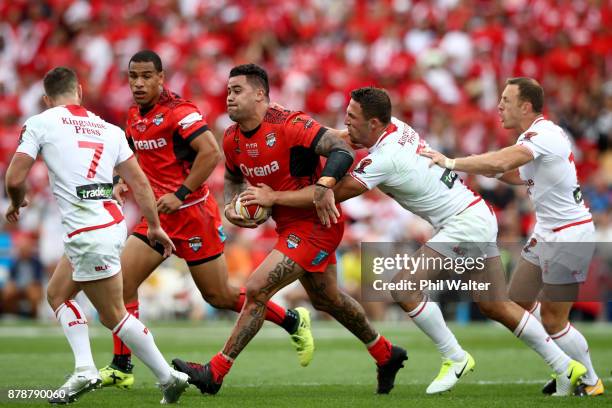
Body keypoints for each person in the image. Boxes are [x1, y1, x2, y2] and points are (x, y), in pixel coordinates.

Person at [241, 86, 587, 396]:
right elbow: (341, 140)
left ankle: (455, 357)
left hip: (464, 223)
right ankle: (564, 366)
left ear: (374, 124)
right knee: (495, 305)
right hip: (475, 214)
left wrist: (274, 197)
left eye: (352, 119)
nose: (346, 125)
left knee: (404, 288)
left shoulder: (384, 159)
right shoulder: (398, 130)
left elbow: (334, 194)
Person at [172, 64, 407, 396]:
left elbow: (342, 151)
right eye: (227, 91)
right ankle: (386, 354)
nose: (229, 97)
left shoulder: (291, 125)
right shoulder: (232, 138)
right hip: (287, 226)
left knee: (256, 289)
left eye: (237, 91)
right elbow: (233, 175)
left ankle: (216, 371)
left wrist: (321, 186)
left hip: (316, 223)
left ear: (260, 95)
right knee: (327, 300)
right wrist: (232, 206)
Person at [102, 50, 312, 389]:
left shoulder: (180, 112)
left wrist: (181, 193)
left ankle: (291, 319)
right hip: (157, 219)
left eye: (146, 76)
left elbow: (211, 152)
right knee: (121, 283)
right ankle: (122, 365)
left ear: (160, 78)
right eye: (133, 77)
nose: (138, 83)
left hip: (193, 216)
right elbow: (133, 155)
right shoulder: (133, 117)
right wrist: (121, 179)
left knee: (219, 296)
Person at [4, 66, 189, 404]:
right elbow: (140, 183)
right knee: (58, 293)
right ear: (80, 92)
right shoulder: (110, 129)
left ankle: (167, 377)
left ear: (47, 99)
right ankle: (86, 367)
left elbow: (15, 179)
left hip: (88, 231)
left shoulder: (41, 122)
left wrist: (17, 202)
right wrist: (155, 226)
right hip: (110, 223)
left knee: (113, 315)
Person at [421, 77, 604, 396]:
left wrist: (452, 162)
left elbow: (505, 160)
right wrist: (483, 170)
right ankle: (564, 367)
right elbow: (516, 174)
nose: (499, 106)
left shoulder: (543, 134)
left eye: (506, 100)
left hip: (570, 234)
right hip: (547, 230)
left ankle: (589, 380)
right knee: (516, 301)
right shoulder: (535, 138)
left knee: (553, 319)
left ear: (526, 106)